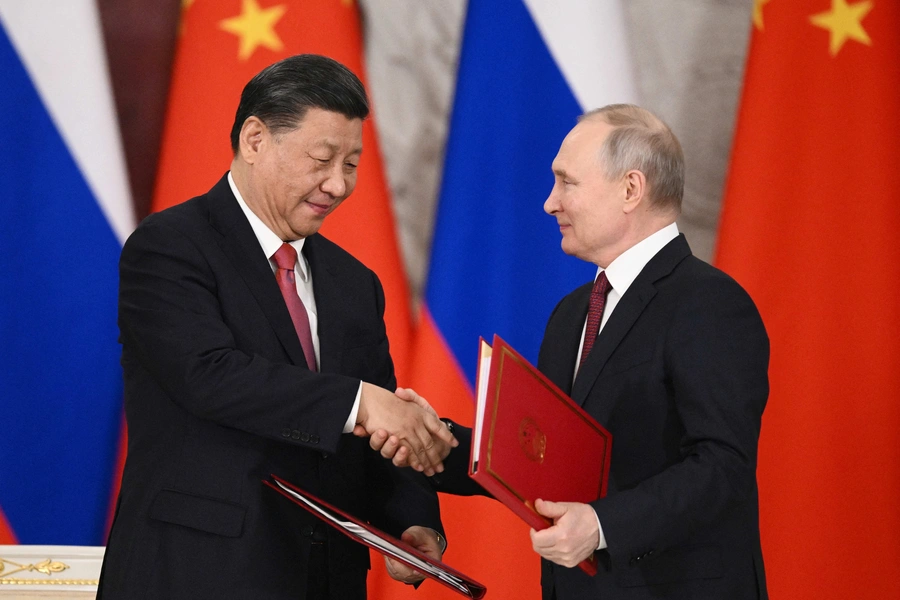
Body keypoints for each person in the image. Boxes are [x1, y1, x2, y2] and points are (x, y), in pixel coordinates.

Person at [373, 104, 769, 599]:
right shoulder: (572, 313)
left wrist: (602, 525)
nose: (549, 203)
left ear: (631, 189)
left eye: (567, 183)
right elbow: (543, 458)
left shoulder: (709, 303)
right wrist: (433, 439)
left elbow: (722, 467)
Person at [98, 54, 456, 600]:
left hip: (327, 579)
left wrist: (409, 521)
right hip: (198, 575)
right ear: (256, 139)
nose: (337, 184)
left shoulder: (353, 282)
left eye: (353, 163)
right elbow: (210, 376)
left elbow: (373, 427)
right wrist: (362, 403)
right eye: (322, 159)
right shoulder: (168, 247)